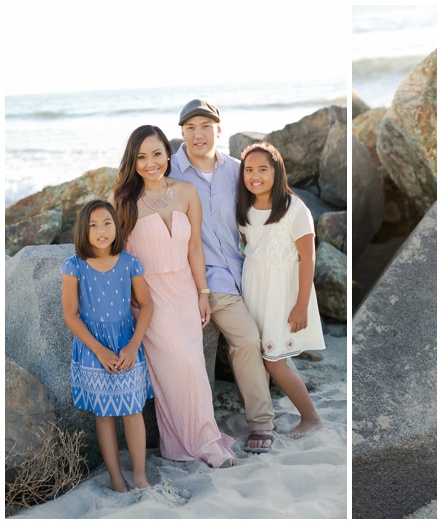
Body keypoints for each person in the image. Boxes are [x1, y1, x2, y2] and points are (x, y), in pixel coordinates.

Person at [111, 125, 235, 468]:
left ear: (169, 154)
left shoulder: (186, 192)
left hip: (184, 291)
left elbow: (194, 247)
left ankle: (193, 441)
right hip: (150, 298)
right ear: (132, 161)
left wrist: (203, 293)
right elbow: (117, 255)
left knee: (193, 367)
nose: (151, 163)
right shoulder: (122, 201)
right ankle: (199, 443)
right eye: (141, 157)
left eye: (156, 154)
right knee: (176, 367)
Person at [168, 99, 276, 453]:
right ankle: (262, 423)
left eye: (205, 126)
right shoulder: (169, 173)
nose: (198, 134)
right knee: (245, 338)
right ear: (181, 132)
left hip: (245, 268)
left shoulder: (238, 170)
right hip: (206, 277)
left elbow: (261, 213)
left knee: (272, 336)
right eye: (190, 128)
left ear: (219, 128)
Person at [61, 200, 154, 492]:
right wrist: (99, 351)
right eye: (93, 226)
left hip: (127, 342)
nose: (101, 231)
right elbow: (70, 315)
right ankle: (116, 478)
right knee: (104, 414)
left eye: (107, 224)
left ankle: (139, 475)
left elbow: (147, 305)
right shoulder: (74, 266)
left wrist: (132, 345)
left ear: (117, 227)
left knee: (132, 410)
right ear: (83, 231)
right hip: (92, 347)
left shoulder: (129, 262)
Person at [236, 142, 325, 438]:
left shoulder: (294, 209)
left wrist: (301, 305)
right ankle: (265, 412)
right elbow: (251, 248)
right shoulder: (245, 208)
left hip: (281, 296)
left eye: (263, 169)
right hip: (254, 292)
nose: (255, 176)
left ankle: (311, 417)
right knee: (258, 357)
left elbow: (308, 258)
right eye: (248, 170)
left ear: (277, 171)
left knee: (275, 363)